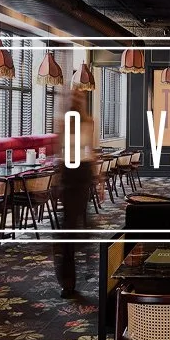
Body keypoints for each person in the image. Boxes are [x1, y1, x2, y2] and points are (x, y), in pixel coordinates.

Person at [53, 88, 98, 297]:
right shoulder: (62, 122)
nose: (75, 101)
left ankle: (82, 266)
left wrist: (99, 181)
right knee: (70, 227)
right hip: (69, 175)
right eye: (72, 97)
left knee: (76, 224)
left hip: (83, 174)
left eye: (78, 98)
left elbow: (91, 151)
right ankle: (68, 280)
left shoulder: (89, 122)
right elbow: (58, 152)